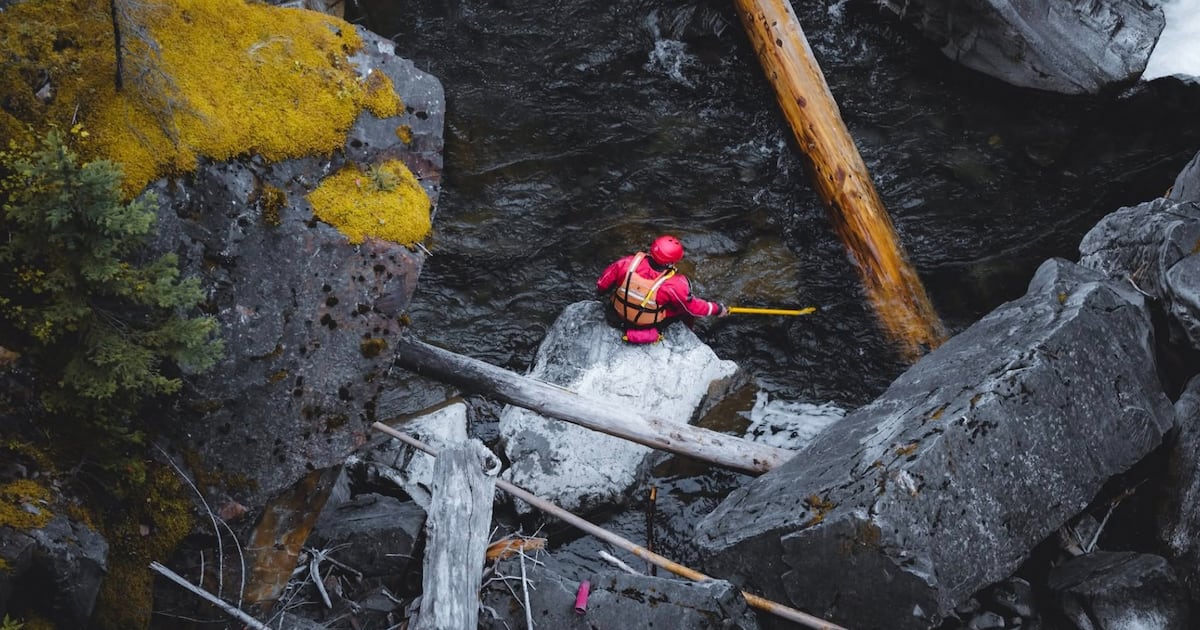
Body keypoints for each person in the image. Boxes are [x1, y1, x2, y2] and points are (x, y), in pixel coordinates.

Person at [595, 234, 729, 344]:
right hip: (645, 325)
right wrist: (717, 309)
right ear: (673, 261)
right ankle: (689, 332)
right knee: (685, 308)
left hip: (615, 316)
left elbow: (602, 285)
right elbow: (693, 307)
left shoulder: (626, 263)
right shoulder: (674, 285)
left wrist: (603, 295)